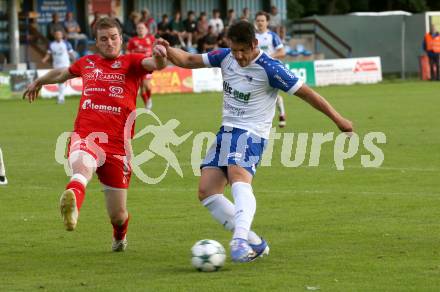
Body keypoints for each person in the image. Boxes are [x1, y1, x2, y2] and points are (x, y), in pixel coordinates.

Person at [156, 21, 353, 262]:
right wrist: (166, 50)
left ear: (254, 44)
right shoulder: (225, 56)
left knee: (238, 175)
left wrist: (339, 119)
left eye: (243, 51)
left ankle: (239, 240)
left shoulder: (271, 69)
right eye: (234, 50)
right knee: (207, 192)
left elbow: (309, 95)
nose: (238, 56)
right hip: (226, 132)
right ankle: (255, 242)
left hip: (251, 133)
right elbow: (188, 60)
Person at [23, 17, 167, 252]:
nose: (109, 42)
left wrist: (161, 55)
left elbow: (156, 64)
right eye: (103, 39)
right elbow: (61, 74)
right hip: (86, 135)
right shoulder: (87, 63)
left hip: (118, 146)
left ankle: (119, 237)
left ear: (121, 38)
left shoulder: (132, 62)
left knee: (118, 215)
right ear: (96, 43)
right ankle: (72, 205)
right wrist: (39, 81)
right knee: (82, 167)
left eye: (113, 37)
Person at [255, 11, 287, 127]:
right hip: (257, 70)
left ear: (267, 22)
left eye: (262, 20)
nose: (260, 23)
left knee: (268, 95)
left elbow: (282, 52)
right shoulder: (253, 37)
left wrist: (267, 57)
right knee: (263, 95)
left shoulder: (272, 36)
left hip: (271, 69)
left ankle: (279, 115)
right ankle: (280, 113)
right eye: (258, 20)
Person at [41, 30, 76, 104]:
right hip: (56, 66)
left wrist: (75, 61)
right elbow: (48, 54)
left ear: (62, 35)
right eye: (56, 34)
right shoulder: (52, 44)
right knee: (60, 81)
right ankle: (61, 98)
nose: (58, 36)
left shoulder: (66, 43)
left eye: (59, 34)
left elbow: (71, 53)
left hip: (65, 65)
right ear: (54, 36)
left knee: (61, 81)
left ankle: (61, 98)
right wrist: (44, 59)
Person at [127, 22, 156, 110]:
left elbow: (155, 49)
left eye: (142, 28)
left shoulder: (151, 39)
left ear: (146, 30)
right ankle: (147, 103)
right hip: (137, 66)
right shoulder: (133, 40)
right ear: (136, 30)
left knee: (147, 85)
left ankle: (149, 99)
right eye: (139, 28)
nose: (140, 30)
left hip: (148, 65)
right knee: (142, 86)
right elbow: (128, 52)